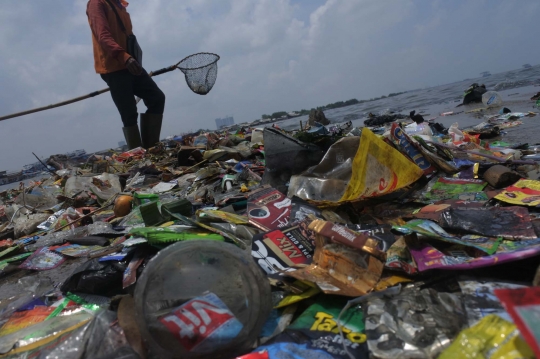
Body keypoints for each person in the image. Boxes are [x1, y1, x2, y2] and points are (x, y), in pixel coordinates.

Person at [86, 0, 165, 149]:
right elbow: (102, 35)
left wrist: (130, 58)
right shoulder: (97, 3)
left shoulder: (119, 5)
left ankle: (150, 148)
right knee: (129, 113)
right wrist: (123, 56)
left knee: (157, 98)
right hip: (114, 68)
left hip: (131, 63)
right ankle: (139, 155)